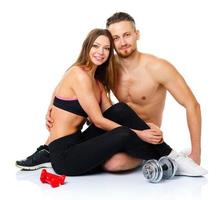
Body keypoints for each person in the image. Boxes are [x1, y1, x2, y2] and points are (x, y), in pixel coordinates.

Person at [16, 13, 207, 176]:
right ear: (87, 47)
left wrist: (194, 152)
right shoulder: (85, 73)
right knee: (117, 150)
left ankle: (173, 159)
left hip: (83, 140)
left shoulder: (102, 79)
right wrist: (50, 106)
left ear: (136, 34)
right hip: (66, 154)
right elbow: (96, 118)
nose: (102, 51)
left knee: (120, 112)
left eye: (106, 48)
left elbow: (115, 111)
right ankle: (172, 159)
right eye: (99, 45)